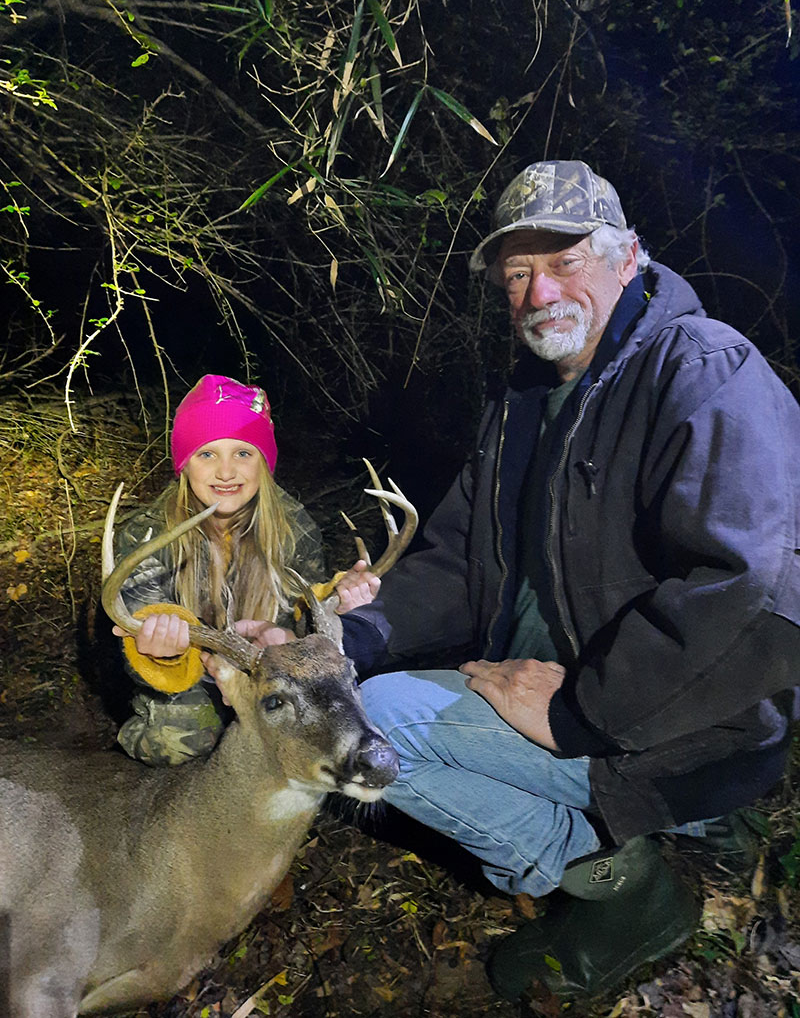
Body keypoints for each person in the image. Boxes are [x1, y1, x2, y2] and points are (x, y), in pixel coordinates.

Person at [357, 160, 800, 1000]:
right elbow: (455, 559)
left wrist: (579, 710)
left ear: (627, 257)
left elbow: (757, 587)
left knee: (374, 721)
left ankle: (626, 891)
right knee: (354, 688)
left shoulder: (705, 370)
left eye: (564, 261)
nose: (539, 293)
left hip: (661, 723)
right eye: (516, 275)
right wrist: (356, 633)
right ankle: (670, 831)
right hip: (550, 694)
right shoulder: (523, 402)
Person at [112, 373, 387, 766]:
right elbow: (134, 651)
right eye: (207, 454)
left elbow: (299, 623)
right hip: (193, 679)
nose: (226, 472)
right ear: (184, 466)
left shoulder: (292, 528)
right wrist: (162, 654)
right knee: (179, 739)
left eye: (243, 453)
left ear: (264, 464)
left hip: (267, 675)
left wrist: (332, 605)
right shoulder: (147, 535)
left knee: (340, 719)